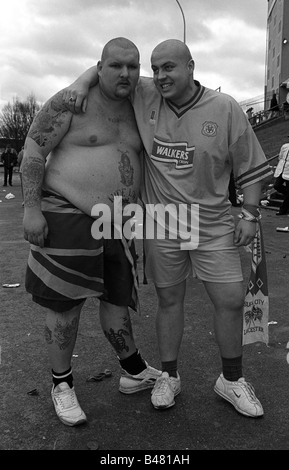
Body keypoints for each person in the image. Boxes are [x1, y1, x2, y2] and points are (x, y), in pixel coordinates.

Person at [63, 38, 272, 418]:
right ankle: (169, 376)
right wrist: (79, 83)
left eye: (169, 67)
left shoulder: (224, 108)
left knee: (230, 300)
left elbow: (250, 165)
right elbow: (108, 68)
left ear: (191, 67)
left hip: (212, 222)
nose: (159, 75)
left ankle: (231, 380)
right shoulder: (146, 94)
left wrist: (251, 213)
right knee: (169, 300)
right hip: (163, 222)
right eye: (155, 68)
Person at [21, 37, 161, 428]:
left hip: (117, 222)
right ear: (98, 66)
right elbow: (33, 152)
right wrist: (32, 209)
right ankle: (61, 385)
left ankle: (133, 370)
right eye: (116, 66)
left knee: (117, 301)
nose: (126, 74)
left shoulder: (142, 102)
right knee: (65, 306)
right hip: (67, 212)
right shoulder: (71, 101)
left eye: (133, 67)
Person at [273, 131, 289, 215]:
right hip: (281, 171)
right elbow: (280, 157)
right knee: (277, 186)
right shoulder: (285, 146)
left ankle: (283, 210)